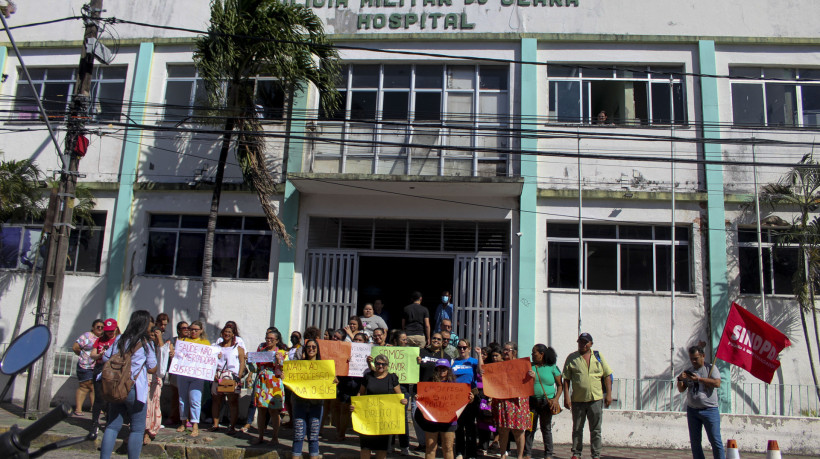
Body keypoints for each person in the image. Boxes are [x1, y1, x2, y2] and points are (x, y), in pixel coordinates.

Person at [99, 310, 158, 459]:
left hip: (116, 386)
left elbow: (106, 358)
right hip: (135, 388)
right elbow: (152, 367)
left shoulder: (120, 338)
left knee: (112, 426)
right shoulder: (145, 343)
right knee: (137, 429)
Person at [562, 333, 612, 459]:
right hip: (578, 399)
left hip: (595, 399)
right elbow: (566, 379)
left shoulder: (598, 357)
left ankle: (596, 454)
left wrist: (609, 395)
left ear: (591, 344)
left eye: (585, 342)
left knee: (595, 429)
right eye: (580, 342)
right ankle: (576, 453)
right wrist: (566, 397)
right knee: (577, 428)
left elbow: (607, 375)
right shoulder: (572, 358)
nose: (582, 345)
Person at [351, 354, 408, 459]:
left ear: (387, 365)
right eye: (378, 363)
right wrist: (355, 405)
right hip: (368, 419)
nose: (380, 366)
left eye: (383, 364)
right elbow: (360, 393)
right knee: (365, 447)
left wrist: (403, 401)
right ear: (375, 364)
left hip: (384, 420)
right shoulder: (368, 377)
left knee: (382, 449)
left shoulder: (392, 377)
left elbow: (399, 396)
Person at [415, 359, 474, 459]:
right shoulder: (428, 384)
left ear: (448, 370)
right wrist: (418, 398)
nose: (441, 370)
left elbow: (463, 402)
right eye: (439, 368)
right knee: (430, 448)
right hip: (431, 419)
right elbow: (422, 401)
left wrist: (470, 399)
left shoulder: (455, 385)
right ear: (436, 370)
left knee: (448, 448)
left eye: (444, 368)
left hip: (449, 420)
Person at [678, 345, 725, 459]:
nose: (693, 361)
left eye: (696, 358)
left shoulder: (710, 368)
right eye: (691, 358)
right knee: (695, 442)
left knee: (715, 440)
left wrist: (698, 379)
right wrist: (680, 379)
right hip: (693, 410)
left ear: (703, 356)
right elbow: (681, 389)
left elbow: (717, 383)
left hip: (710, 410)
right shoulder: (689, 371)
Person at [492, 342, 531, 459]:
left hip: (518, 401)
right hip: (503, 400)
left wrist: (531, 376)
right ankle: (503, 454)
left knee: (518, 430)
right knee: (503, 429)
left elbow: (527, 382)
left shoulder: (522, 365)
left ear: (514, 351)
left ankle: (519, 456)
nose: (505, 352)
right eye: (504, 349)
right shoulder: (499, 365)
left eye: (508, 349)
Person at [525, 344, 563, 459]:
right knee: (530, 428)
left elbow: (560, 385)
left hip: (547, 403)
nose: (532, 355)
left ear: (542, 354)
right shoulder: (529, 366)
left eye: (534, 353)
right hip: (532, 401)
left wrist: (556, 399)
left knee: (546, 428)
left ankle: (548, 454)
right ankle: (527, 453)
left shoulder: (552, 367)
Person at [292, 339, 328, 459]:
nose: (311, 349)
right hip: (299, 403)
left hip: (316, 404)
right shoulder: (298, 366)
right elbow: (290, 384)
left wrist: (334, 382)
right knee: (298, 434)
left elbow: (329, 385)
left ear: (317, 350)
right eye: (308, 347)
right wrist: (285, 378)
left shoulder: (324, 366)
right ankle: (296, 455)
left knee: (313, 436)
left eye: (313, 347)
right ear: (305, 349)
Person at [251, 329, 287, 445]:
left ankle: (275, 436)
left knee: (274, 411)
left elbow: (285, 369)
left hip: (274, 382)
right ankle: (260, 436)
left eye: (272, 339)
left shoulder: (281, 352)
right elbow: (254, 368)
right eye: (267, 338)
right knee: (261, 409)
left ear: (277, 340)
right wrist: (249, 361)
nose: (269, 340)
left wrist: (279, 360)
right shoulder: (261, 351)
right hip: (262, 382)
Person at [209, 324, 246, 434]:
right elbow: (211, 361)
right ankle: (215, 424)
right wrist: (213, 372)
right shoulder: (216, 347)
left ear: (233, 334)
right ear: (222, 334)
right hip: (218, 376)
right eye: (225, 332)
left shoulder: (238, 348)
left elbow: (242, 362)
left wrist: (239, 376)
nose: (227, 334)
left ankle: (232, 426)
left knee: (232, 401)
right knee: (216, 401)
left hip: (232, 376)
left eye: (229, 332)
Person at [177, 320, 209, 437]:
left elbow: (209, 357)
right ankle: (183, 422)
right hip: (183, 374)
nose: (193, 332)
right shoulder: (182, 341)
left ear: (201, 331)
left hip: (197, 375)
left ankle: (195, 424)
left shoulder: (205, 343)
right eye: (191, 329)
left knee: (195, 399)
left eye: (196, 330)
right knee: (182, 399)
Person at [89, 318, 119, 436]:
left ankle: (109, 421)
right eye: (107, 331)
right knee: (99, 397)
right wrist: (99, 355)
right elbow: (93, 354)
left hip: (113, 370)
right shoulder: (99, 340)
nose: (109, 333)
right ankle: (94, 422)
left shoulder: (118, 340)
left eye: (111, 331)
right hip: (100, 368)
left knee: (111, 398)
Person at [452, 339, 480, 459]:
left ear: (468, 348)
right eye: (459, 347)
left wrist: (479, 355)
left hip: (471, 397)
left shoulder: (473, 361)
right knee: (458, 426)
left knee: (470, 426)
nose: (462, 350)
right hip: (456, 397)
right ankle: (459, 452)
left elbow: (481, 371)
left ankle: (471, 453)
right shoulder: (453, 361)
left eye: (464, 347)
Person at [73, 319, 104, 417]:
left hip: (97, 366)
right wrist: (84, 356)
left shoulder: (103, 338)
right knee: (85, 386)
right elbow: (75, 347)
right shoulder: (86, 336)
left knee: (94, 388)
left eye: (102, 327)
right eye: (97, 327)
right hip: (85, 365)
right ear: (93, 327)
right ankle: (78, 409)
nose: (100, 329)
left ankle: (95, 408)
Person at [144, 316, 165, 444]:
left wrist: (159, 339)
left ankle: (149, 431)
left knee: (153, 406)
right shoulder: (144, 344)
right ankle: (140, 430)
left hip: (155, 378)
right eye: (151, 334)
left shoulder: (163, 346)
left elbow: (162, 359)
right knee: (144, 406)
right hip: (145, 378)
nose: (153, 336)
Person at [166, 321, 189, 426]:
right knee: (176, 396)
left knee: (188, 396)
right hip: (175, 372)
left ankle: (187, 418)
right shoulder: (173, 341)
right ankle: (174, 417)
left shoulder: (191, 341)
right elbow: (169, 352)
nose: (186, 330)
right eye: (183, 328)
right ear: (178, 330)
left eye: (187, 328)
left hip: (187, 372)